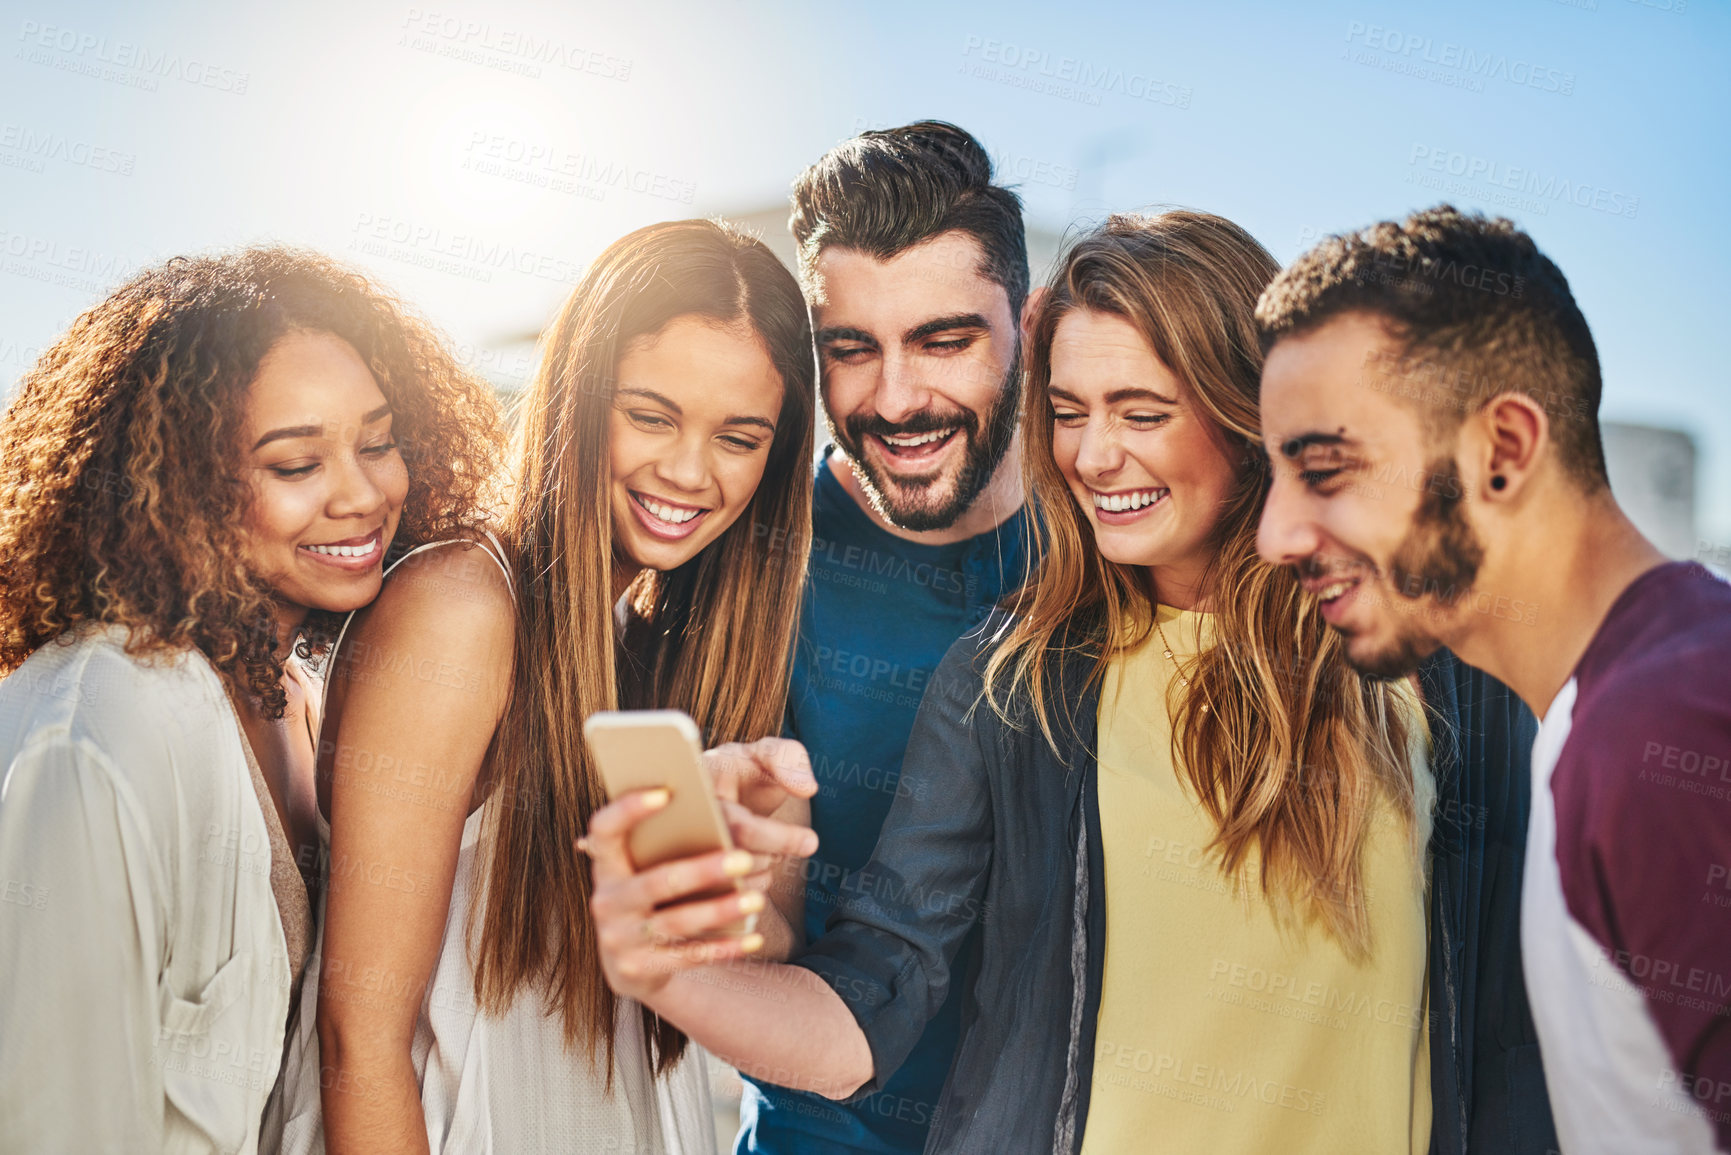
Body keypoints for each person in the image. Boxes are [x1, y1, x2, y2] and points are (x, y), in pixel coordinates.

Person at [588, 210, 1556, 1153]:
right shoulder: (1010, 681)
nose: (1094, 456)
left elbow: (1531, 1021)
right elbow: (861, 1020)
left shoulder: (1437, 663)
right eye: (1067, 413)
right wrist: (667, 975)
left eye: (1142, 412)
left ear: (1250, 413)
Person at [269, 218, 820, 1155]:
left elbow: (730, 958)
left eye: (739, 436)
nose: (688, 471)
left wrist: (757, 876)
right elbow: (357, 1041)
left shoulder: (666, 651)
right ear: (579, 393)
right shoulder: (461, 608)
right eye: (649, 416)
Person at [0, 247, 501, 1153]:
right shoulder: (104, 719)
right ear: (175, 485)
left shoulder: (300, 698)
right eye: (295, 463)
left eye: (378, 442)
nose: (362, 493)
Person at [1254, 204, 1731, 1154]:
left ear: (1503, 450)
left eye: (1324, 470)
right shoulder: (1597, 716)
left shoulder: (1662, 730)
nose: (1276, 535)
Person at [730, 119, 1035, 1154]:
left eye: (945, 341)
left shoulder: (1129, 546)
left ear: (1026, 325)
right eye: (851, 351)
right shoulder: (757, 569)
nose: (897, 399)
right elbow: (753, 950)